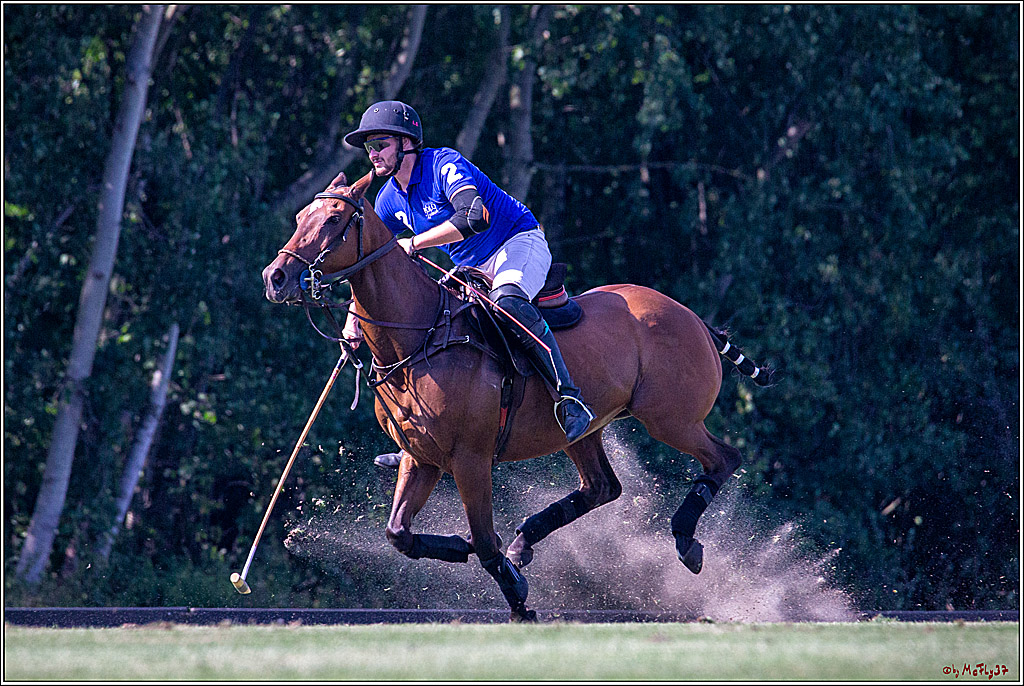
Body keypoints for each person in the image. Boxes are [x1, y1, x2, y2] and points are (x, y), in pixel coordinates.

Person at [341, 100, 594, 467]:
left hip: (516, 242)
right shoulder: (387, 199)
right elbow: (370, 262)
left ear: (406, 142)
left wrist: (413, 243)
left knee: (508, 302)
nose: (373, 155)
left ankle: (569, 399)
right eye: (369, 148)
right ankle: (421, 437)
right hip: (469, 267)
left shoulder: (444, 164)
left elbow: (475, 216)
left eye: (380, 145)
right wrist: (354, 317)